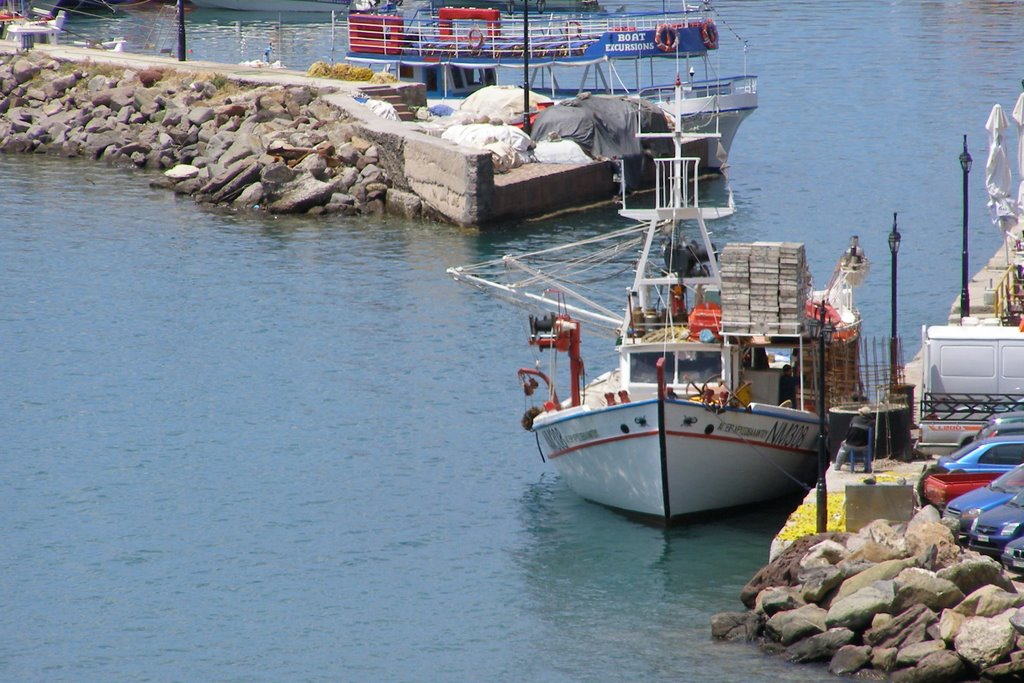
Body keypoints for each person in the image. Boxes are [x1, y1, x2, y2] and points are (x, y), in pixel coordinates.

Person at [834, 406, 873, 472]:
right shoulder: (871, 423)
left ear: (862, 413)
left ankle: (837, 467)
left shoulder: (855, 418)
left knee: (842, 449)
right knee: (867, 452)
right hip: (863, 445)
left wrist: (845, 440)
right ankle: (867, 468)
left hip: (850, 444)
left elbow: (849, 432)